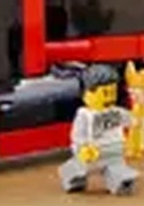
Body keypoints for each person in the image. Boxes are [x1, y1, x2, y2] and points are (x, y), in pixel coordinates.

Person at [59, 68, 137, 197]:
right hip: (92, 150)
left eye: (113, 93)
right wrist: (82, 147)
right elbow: (78, 133)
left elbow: (131, 120)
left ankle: (121, 182)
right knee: (80, 167)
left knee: (116, 168)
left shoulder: (116, 111)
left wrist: (140, 118)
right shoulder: (85, 115)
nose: (110, 98)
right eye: (105, 93)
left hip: (114, 149)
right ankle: (71, 176)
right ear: (87, 94)